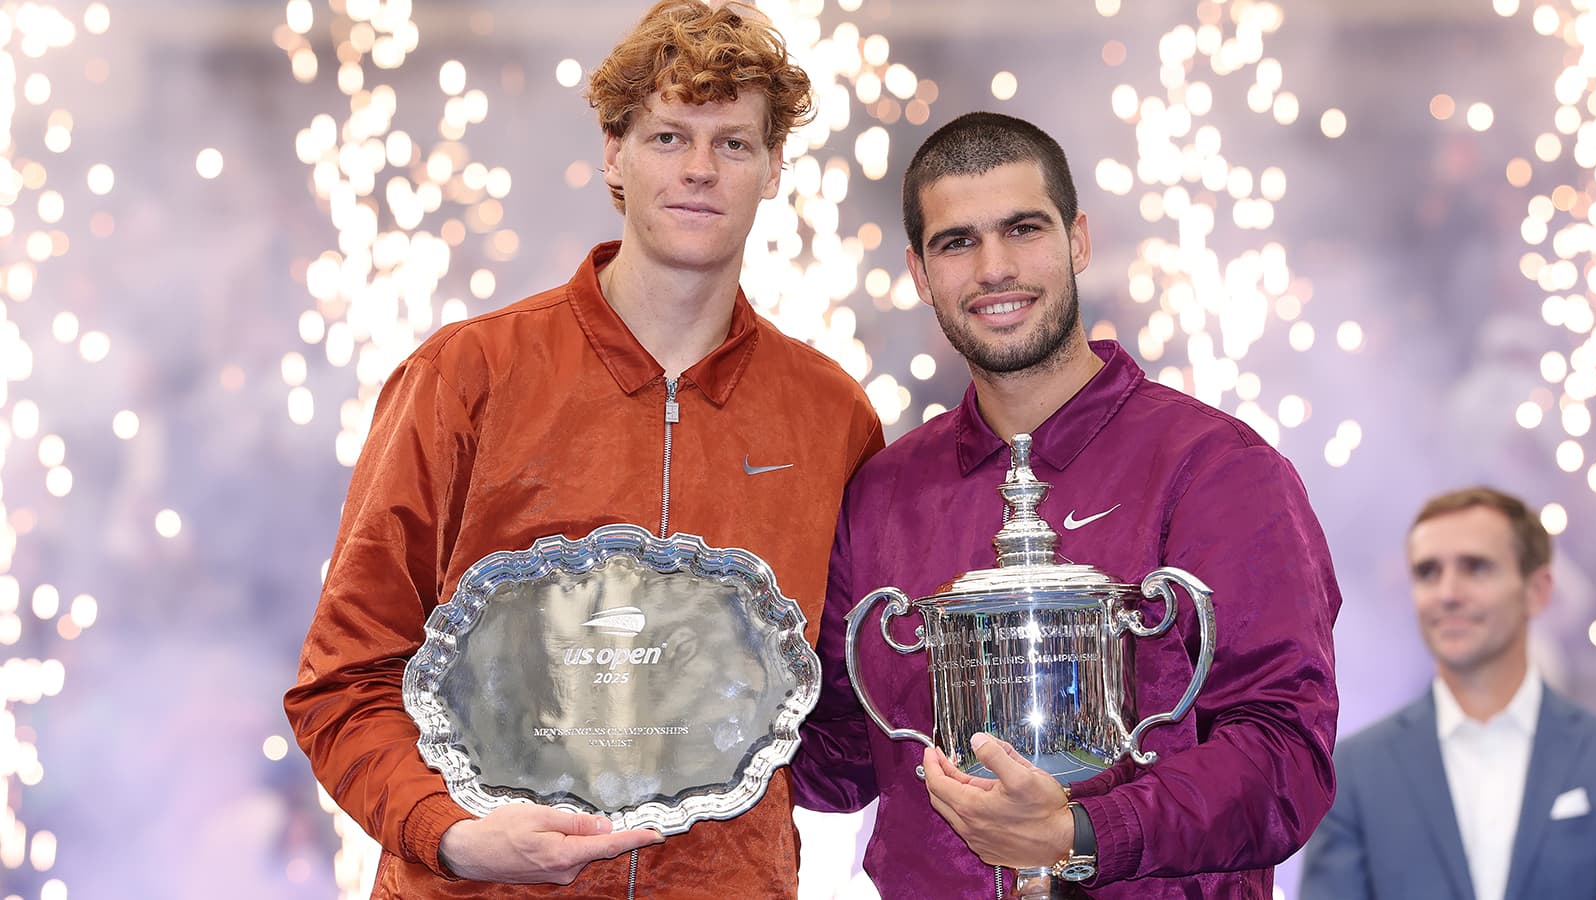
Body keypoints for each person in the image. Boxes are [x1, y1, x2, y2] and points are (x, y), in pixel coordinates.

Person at [283, 3, 884, 897]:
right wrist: (452, 834)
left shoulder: (830, 413)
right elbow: (345, 678)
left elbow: (842, 706)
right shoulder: (467, 375)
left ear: (772, 170)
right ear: (613, 153)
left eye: (733, 143)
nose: (699, 169)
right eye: (668, 136)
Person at [788, 111, 1343, 898]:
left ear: (1078, 240)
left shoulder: (1217, 468)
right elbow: (844, 760)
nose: (994, 269)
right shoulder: (884, 492)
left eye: (1024, 229)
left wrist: (1078, 837)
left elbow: (1287, 757)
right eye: (957, 242)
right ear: (919, 273)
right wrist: (698, 695)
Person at [1300, 487, 1596, 900]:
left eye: (1476, 568)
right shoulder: (1354, 772)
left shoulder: (1592, 751)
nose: (1447, 594)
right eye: (1428, 572)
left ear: (1537, 590)